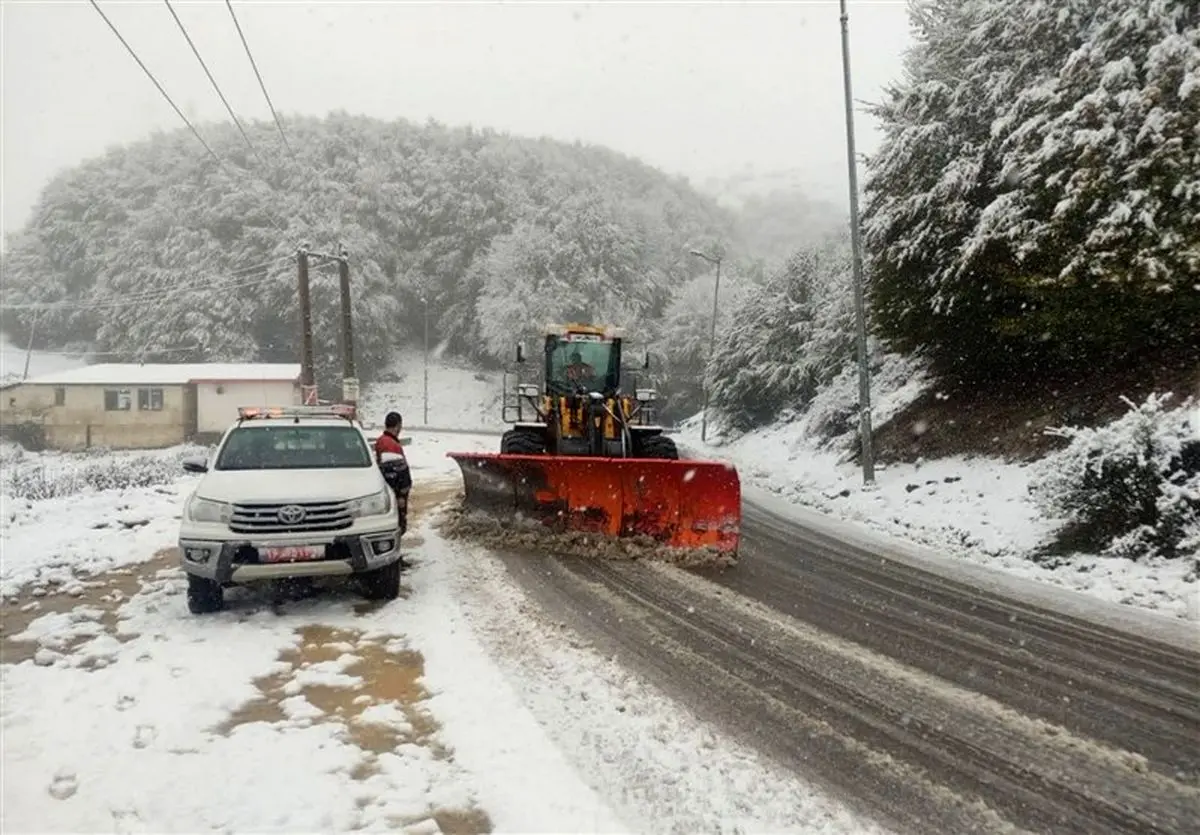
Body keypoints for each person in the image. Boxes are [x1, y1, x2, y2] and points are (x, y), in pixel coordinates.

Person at [374, 411, 411, 537]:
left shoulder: (382, 440)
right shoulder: (390, 444)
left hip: (389, 488)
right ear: (398, 425)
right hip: (395, 491)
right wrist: (401, 494)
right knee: (397, 524)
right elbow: (395, 471)